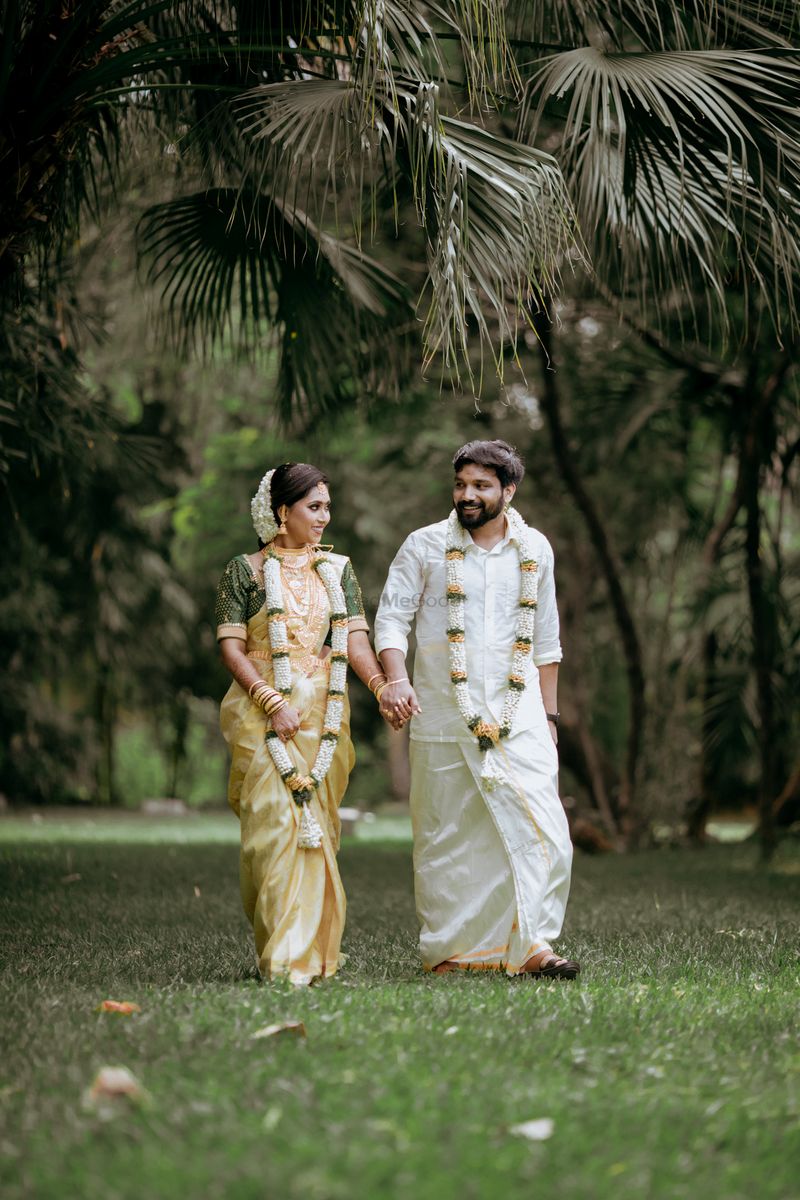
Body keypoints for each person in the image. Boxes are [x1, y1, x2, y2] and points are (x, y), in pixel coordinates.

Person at [374, 439, 579, 978]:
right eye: (461, 484)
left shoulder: (536, 550)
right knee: (448, 841)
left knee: (548, 832)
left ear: (508, 491)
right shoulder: (423, 546)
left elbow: (547, 645)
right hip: (442, 717)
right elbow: (392, 621)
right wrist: (395, 679)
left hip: (522, 718)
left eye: (481, 486)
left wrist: (551, 720)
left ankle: (534, 944)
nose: (468, 495)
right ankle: (452, 953)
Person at [215, 462, 391, 986]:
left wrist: (381, 687)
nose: (324, 517)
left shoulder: (338, 571)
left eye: (327, 506)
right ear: (281, 512)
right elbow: (231, 645)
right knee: (272, 828)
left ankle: (313, 957)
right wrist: (270, 699)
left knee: (319, 833)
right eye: (314, 507)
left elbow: (353, 641)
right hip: (261, 710)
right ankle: (283, 958)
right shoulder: (243, 570)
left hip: (324, 715)